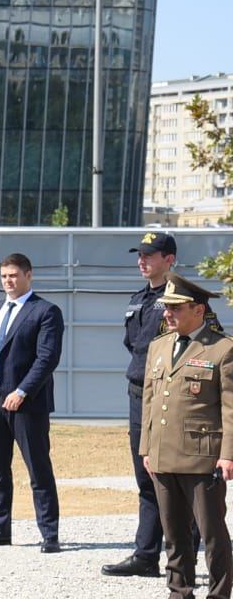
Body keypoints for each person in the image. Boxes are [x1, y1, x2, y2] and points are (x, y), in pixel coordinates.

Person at [135, 275, 233, 599]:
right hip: (162, 455)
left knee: (212, 534)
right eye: (167, 308)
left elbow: (230, 408)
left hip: (202, 456)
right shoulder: (160, 346)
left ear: (199, 310)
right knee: (173, 532)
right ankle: (179, 597)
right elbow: (149, 400)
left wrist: (228, 454)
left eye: (176, 308)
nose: (169, 314)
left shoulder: (221, 349)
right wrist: (146, 447)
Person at [105, 232, 205, 578]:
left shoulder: (185, 297)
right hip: (140, 394)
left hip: (174, 398)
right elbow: (133, 345)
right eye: (140, 255)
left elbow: (204, 345)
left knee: (178, 476)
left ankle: (187, 555)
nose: (142, 261)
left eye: (150, 255)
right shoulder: (139, 298)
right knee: (146, 475)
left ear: (170, 259)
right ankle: (146, 555)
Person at [0, 254, 65, 552]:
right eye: (4, 276)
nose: (8, 281)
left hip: (27, 404)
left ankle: (49, 534)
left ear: (28, 276)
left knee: (38, 469)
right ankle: (0, 529)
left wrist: (22, 391)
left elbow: (47, 358)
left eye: (14, 275)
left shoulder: (45, 311)